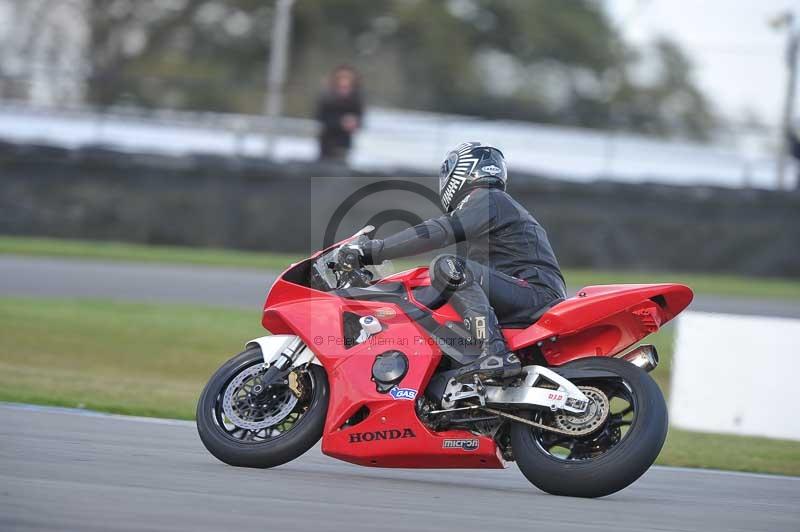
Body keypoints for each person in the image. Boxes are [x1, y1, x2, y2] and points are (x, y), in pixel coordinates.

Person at [342, 142, 567, 382]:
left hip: (533, 293)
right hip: (526, 291)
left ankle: (494, 352)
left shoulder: (489, 198)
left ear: (461, 171)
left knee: (448, 266)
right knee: (433, 293)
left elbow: (439, 231)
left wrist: (372, 251)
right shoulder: (493, 207)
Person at [315, 65, 363, 161]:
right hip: (327, 142)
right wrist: (340, 122)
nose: (344, 81)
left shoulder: (356, 99)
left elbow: (360, 120)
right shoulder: (327, 97)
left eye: (347, 77)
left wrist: (354, 123)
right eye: (342, 77)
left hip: (344, 144)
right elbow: (320, 117)